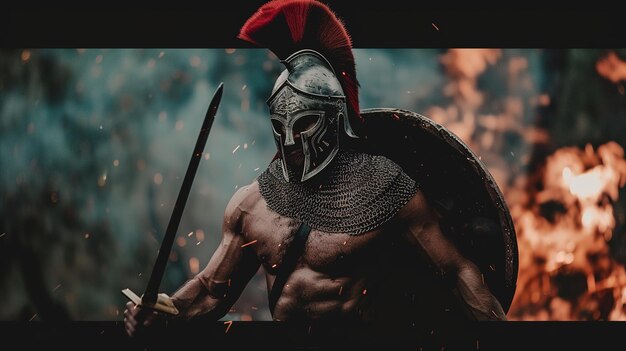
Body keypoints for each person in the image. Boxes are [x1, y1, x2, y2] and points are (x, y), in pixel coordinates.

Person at [124, 0, 509, 337]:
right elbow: (211, 291)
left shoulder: (387, 189)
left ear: (334, 118)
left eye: (304, 122)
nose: (290, 140)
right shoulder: (253, 203)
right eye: (280, 127)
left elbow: (457, 273)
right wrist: (160, 312)